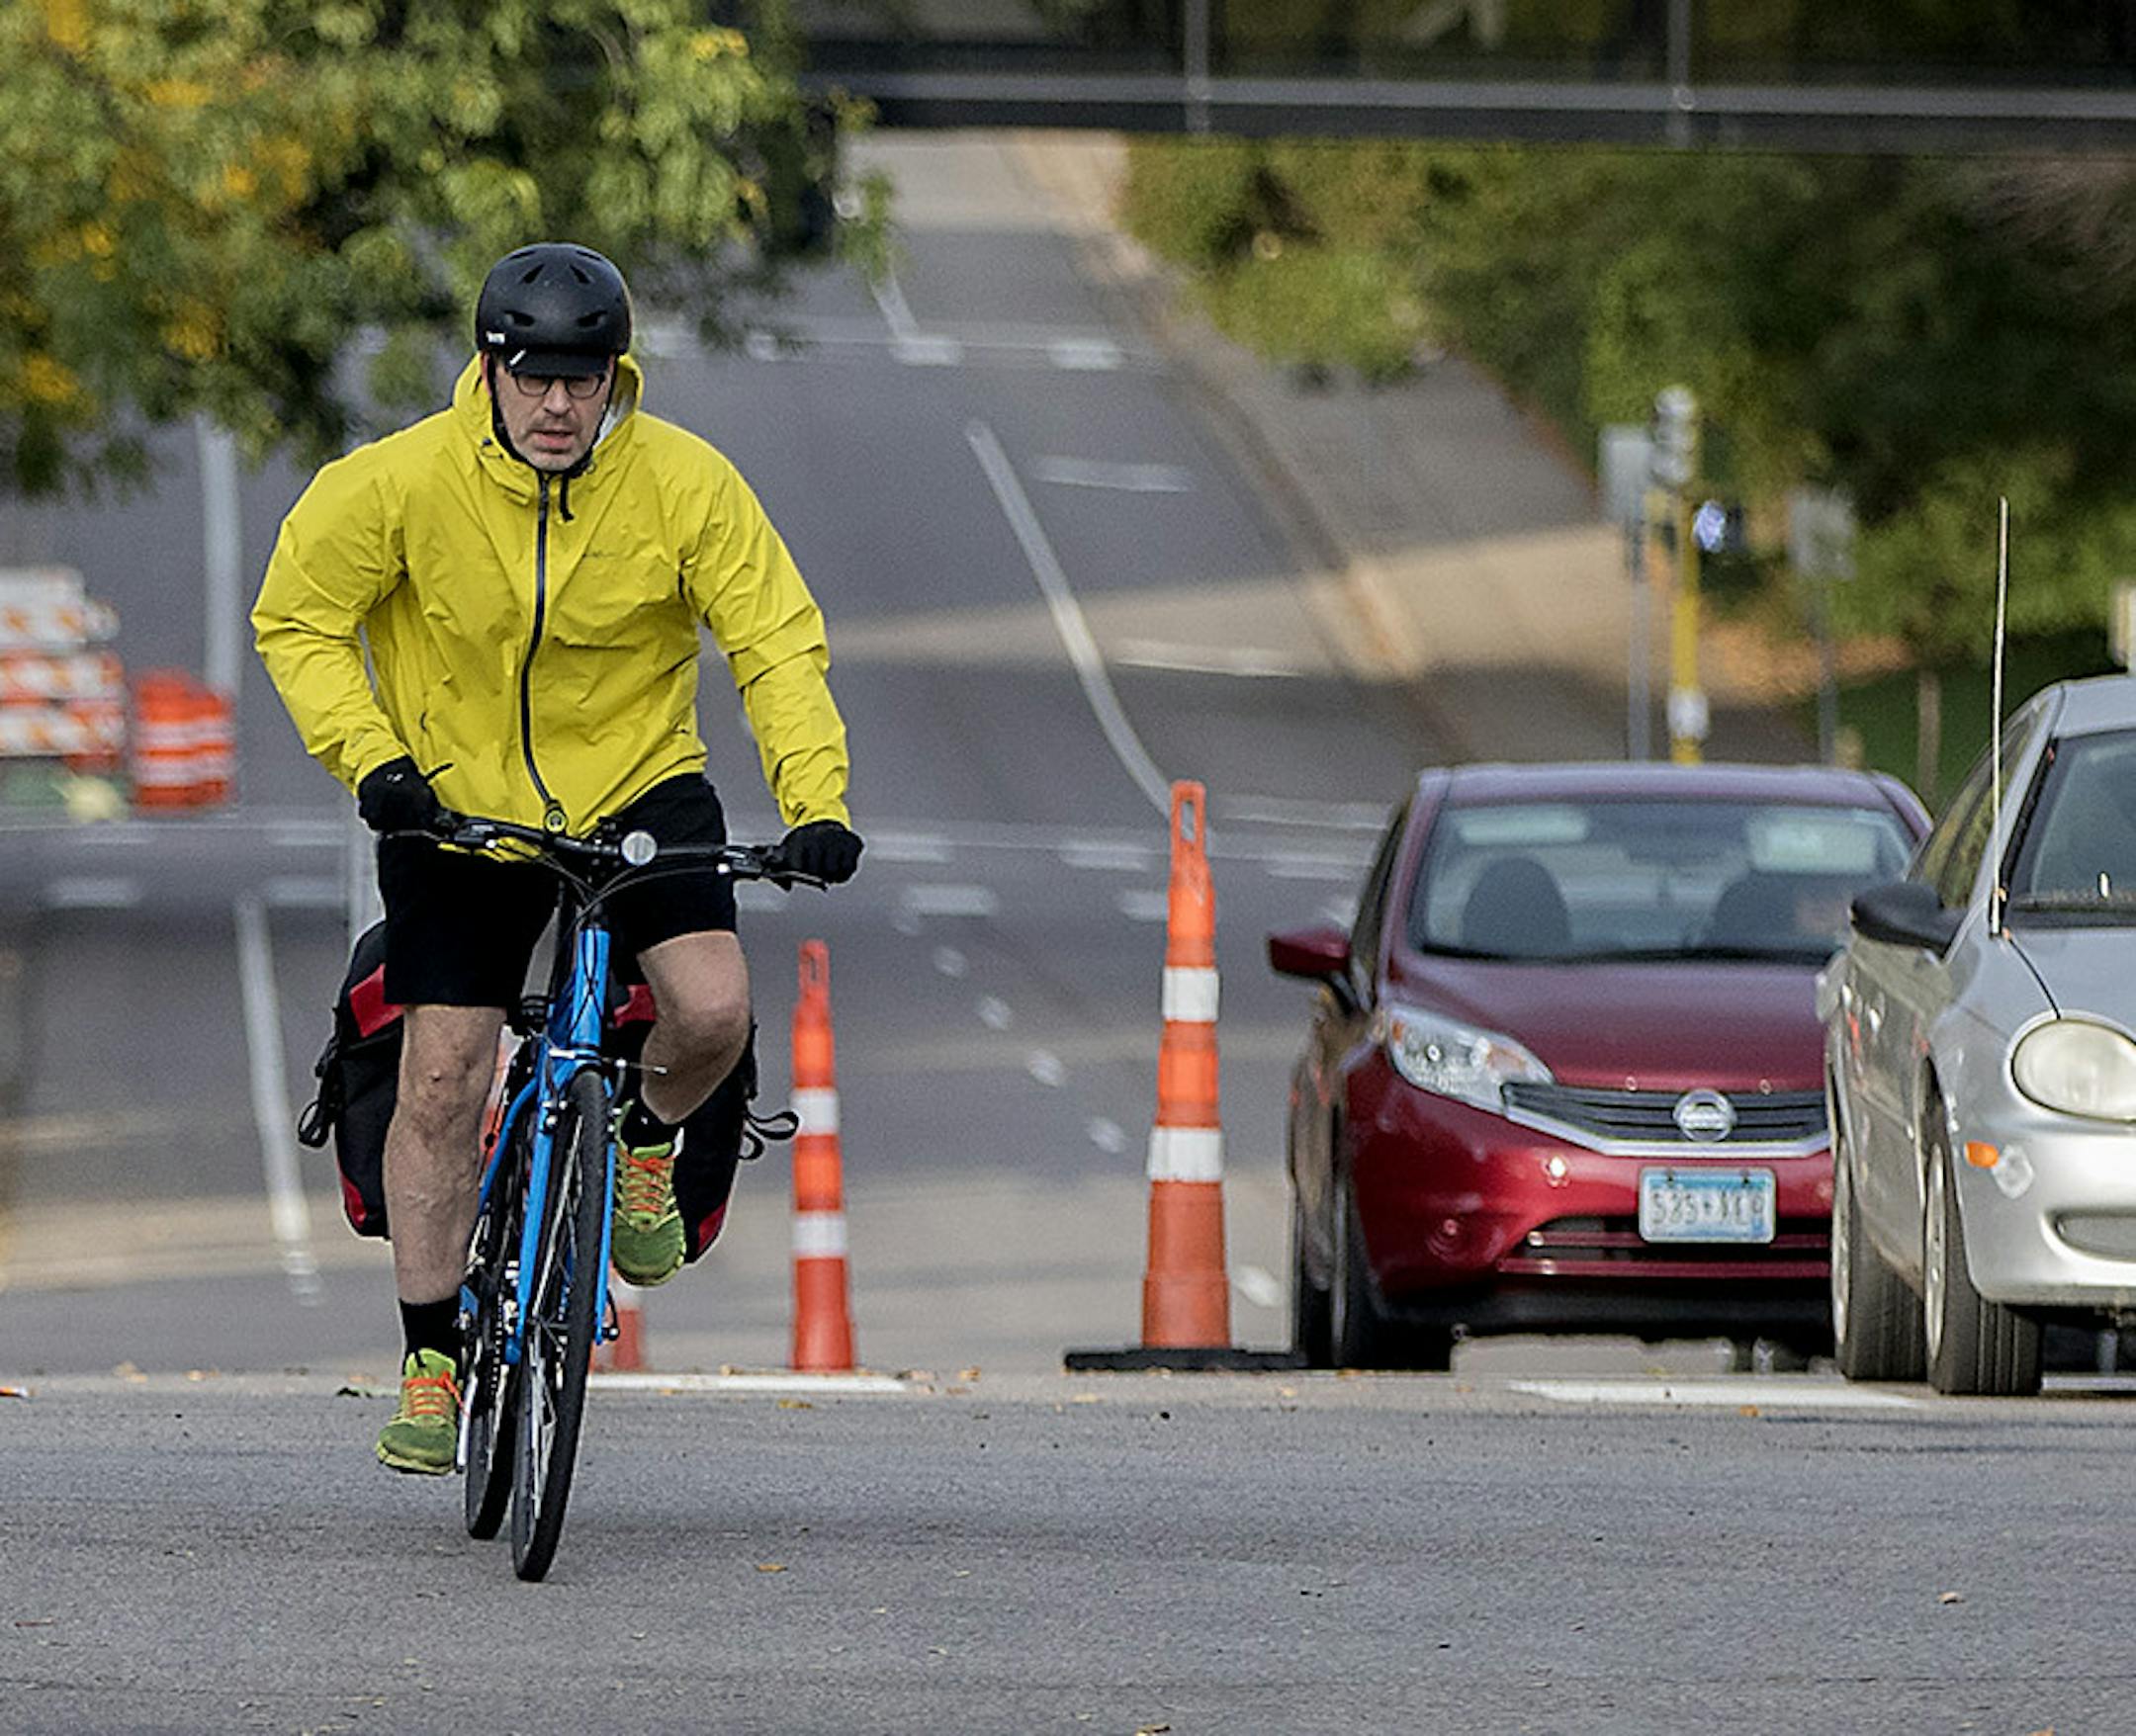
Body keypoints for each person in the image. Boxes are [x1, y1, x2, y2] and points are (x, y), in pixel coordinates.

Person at [253, 242, 862, 1474]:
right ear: (489, 369)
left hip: (639, 786)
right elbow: (298, 617)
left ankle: (639, 1143)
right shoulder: (399, 481)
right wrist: (376, 764)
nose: (555, 405)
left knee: (714, 1009)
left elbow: (776, 646)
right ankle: (431, 1361)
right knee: (443, 1078)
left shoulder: (686, 485)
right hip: (456, 805)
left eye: (582, 381)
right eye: (532, 377)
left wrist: (817, 802)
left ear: (615, 380)